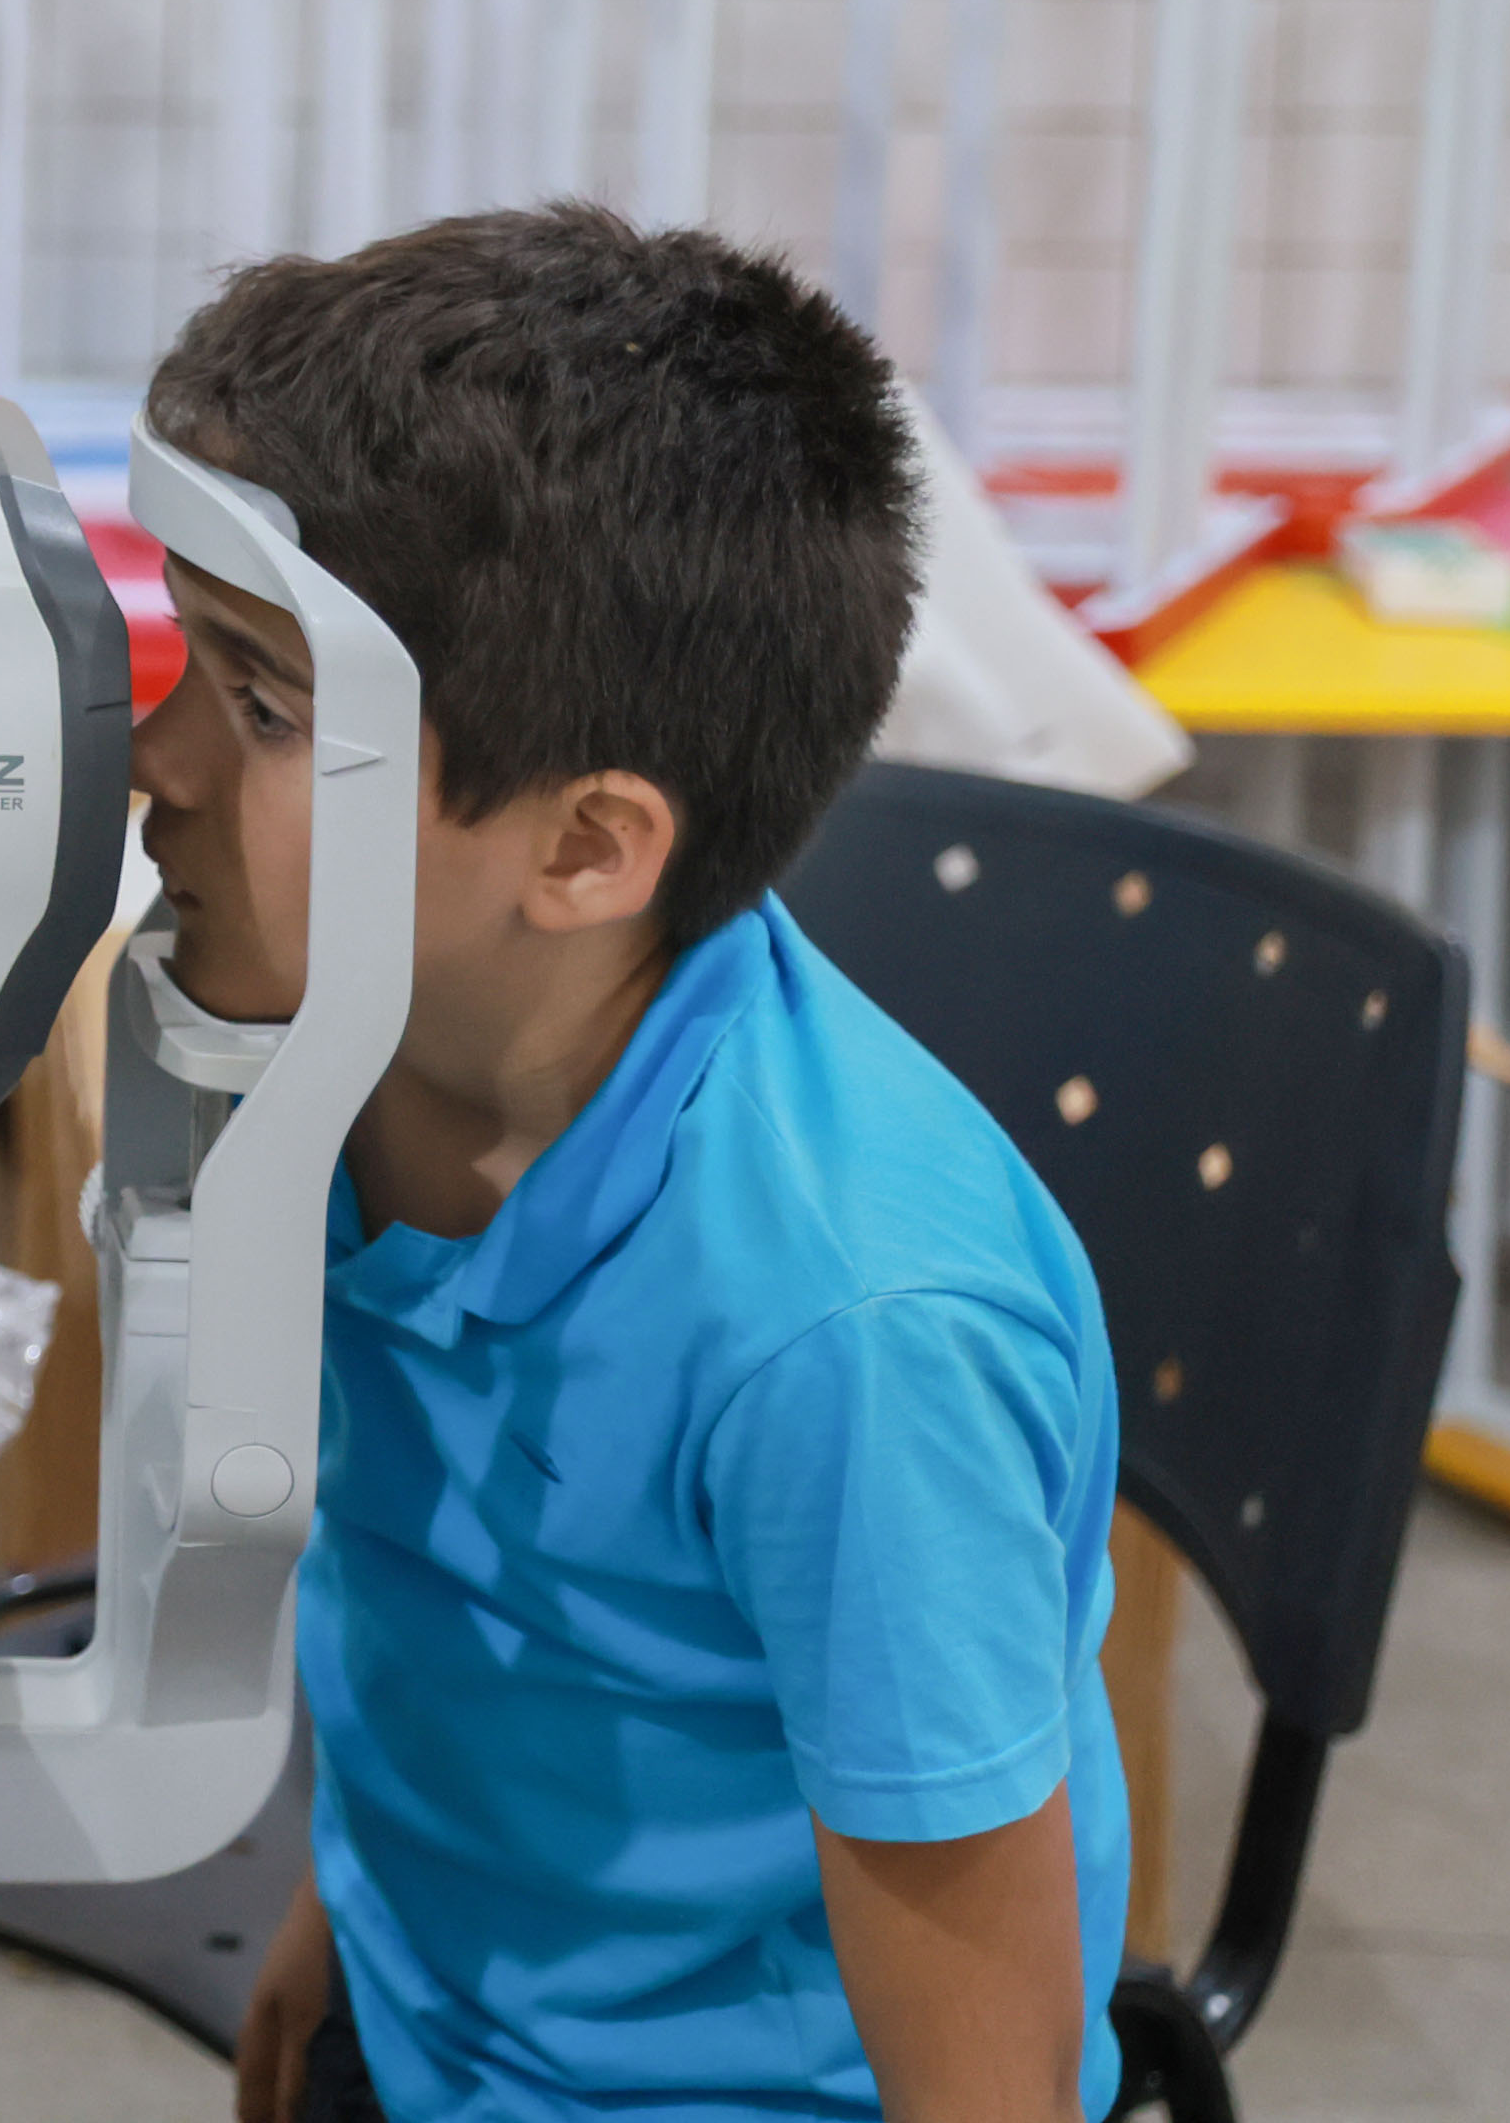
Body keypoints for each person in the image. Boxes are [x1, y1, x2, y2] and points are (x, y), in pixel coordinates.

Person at [138, 209, 1129, 2123]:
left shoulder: (847, 1335)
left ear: (586, 851)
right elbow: (471, 1614)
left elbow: (986, 2080)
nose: (159, 765)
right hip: (427, 2013)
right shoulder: (350, 1060)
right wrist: (348, 1924)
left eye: (261, 707)